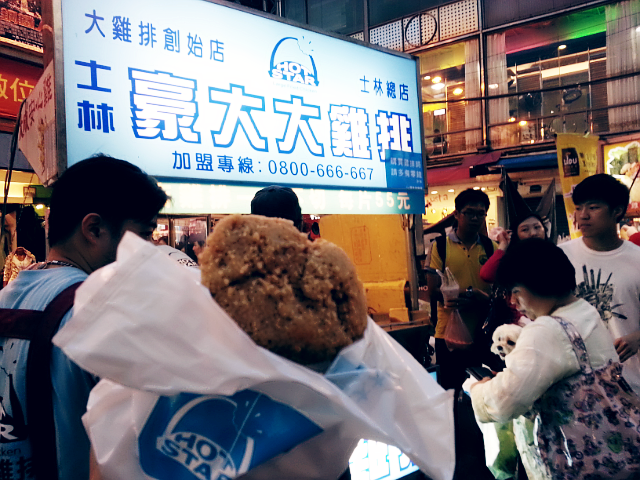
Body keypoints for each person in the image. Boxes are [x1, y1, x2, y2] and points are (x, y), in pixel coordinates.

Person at [0, 156, 168, 480]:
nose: (150, 249)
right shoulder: (101, 310)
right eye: (144, 235)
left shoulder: (7, 296)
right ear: (94, 229)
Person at [470, 238, 639, 479]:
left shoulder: (547, 331)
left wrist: (478, 389)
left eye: (515, 292)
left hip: (578, 463)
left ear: (538, 283)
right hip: (616, 454)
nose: (513, 302)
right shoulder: (584, 310)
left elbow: (505, 401)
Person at [559, 174, 640, 395]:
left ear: (617, 211)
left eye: (593, 207)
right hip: (575, 386)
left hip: (630, 384)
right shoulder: (560, 257)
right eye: (578, 208)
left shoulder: (637, 259)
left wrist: (637, 338)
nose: (583, 215)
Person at [428, 188, 495, 392]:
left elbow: (501, 291)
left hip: (484, 334)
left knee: (484, 389)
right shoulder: (440, 246)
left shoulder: (491, 247)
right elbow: (433, 291)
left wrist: (484, 298)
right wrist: (467, 294)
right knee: (450, 390)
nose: (475, 218)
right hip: (448, 335)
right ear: (456, 214)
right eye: (469, 212)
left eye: (480, 213)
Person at [480, 213, 547, 284]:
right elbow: (487, 275)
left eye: (537, 227)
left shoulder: (553, 255)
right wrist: (503, 244)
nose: (533, 233)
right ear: (515, 234)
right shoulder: (513, 260)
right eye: (525, 230)